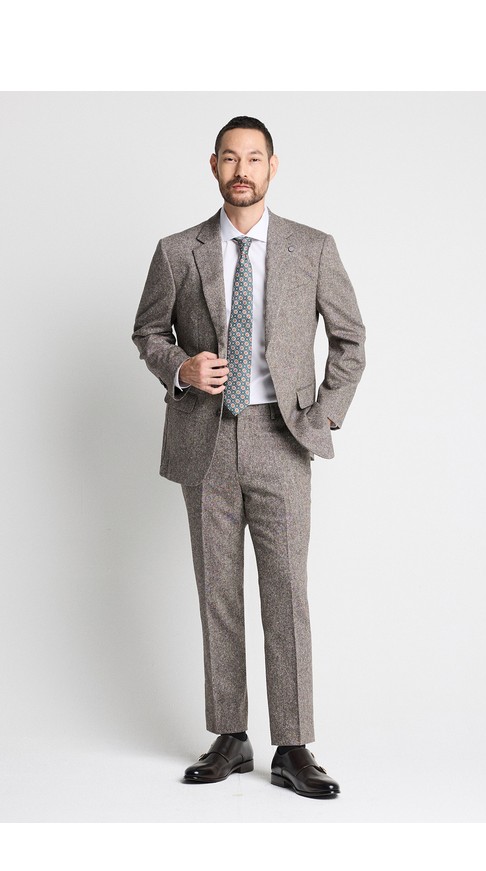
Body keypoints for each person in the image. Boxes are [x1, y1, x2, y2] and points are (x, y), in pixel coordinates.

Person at [132, 115, 366, 799]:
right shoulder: (178, 251)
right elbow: (148, 331)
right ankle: (230, 737)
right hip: (204, 438)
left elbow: (351, 341)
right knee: (218, 592)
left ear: (272, 166)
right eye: (230, 158)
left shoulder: (311, 248)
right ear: (214, 166)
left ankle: (293, 746)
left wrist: (322, 414)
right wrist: (181, 367)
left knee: (286, 593)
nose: (242, 170)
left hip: (281, 439)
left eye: (254, 158)